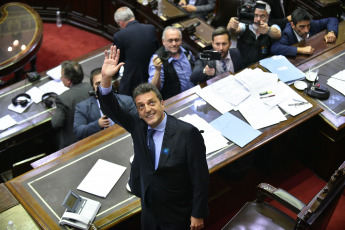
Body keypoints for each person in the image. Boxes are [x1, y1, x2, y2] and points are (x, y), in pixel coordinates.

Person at [98, 46, 209, 229]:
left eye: (151, 103)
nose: (147, 109)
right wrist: (106, 78)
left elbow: (200, 178)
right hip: (149, 207)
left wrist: (198, 213)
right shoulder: (137, 125)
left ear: (162, 103)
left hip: (177, 211)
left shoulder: (188, 134)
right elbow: (112, 108)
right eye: (141, 106)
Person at [73, 68, 137, 140]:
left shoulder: (126, 100)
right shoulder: (82, 107)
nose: (101, 86)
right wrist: (97, 124)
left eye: (104, 82)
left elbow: (137, 120)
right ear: (93, 87)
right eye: (97, 83)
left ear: (110, 83)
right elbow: (78, 131)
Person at [113, 6, 159, 96]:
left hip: (133, 83)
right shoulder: (151, 29)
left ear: (120, 23)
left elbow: (117, 61)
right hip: (153, 75)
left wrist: (114, 77)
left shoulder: (119, 36)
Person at [227, 0, 281, 67]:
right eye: (255, 15)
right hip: (244, 67)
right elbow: (234, 31)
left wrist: (268, 30)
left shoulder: (272, 26)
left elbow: (277, 34)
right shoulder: (245, 25)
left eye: (262, 16)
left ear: (267, 17)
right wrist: (231, 27)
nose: (258, 19)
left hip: (264, 67)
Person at [51, 61, 91, 150]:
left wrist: (54, 112)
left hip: (75, 144)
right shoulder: (92, 86)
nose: (61, 78)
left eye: (62, 76)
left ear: (68, 80)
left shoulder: (63, 98)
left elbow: (56, 124)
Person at [149, 26, 195, 100]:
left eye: (177, 40)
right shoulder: (158, 58)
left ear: (181, 40)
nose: (174, 44)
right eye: (170, 41)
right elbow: (153, 89)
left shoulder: (186, 50)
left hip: (193, 95)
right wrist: (158, 70)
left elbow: (194, 68)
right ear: (163, 42)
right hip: (175, 102)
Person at [270, 8, 338, 57]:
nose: (306, 30)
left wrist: (331, 32)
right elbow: (275, 48)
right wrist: (300, 50)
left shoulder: (312, 24)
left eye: (308, 26)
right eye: (301, 27)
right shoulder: (287, 34)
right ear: (293, 25)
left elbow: (332, 20)